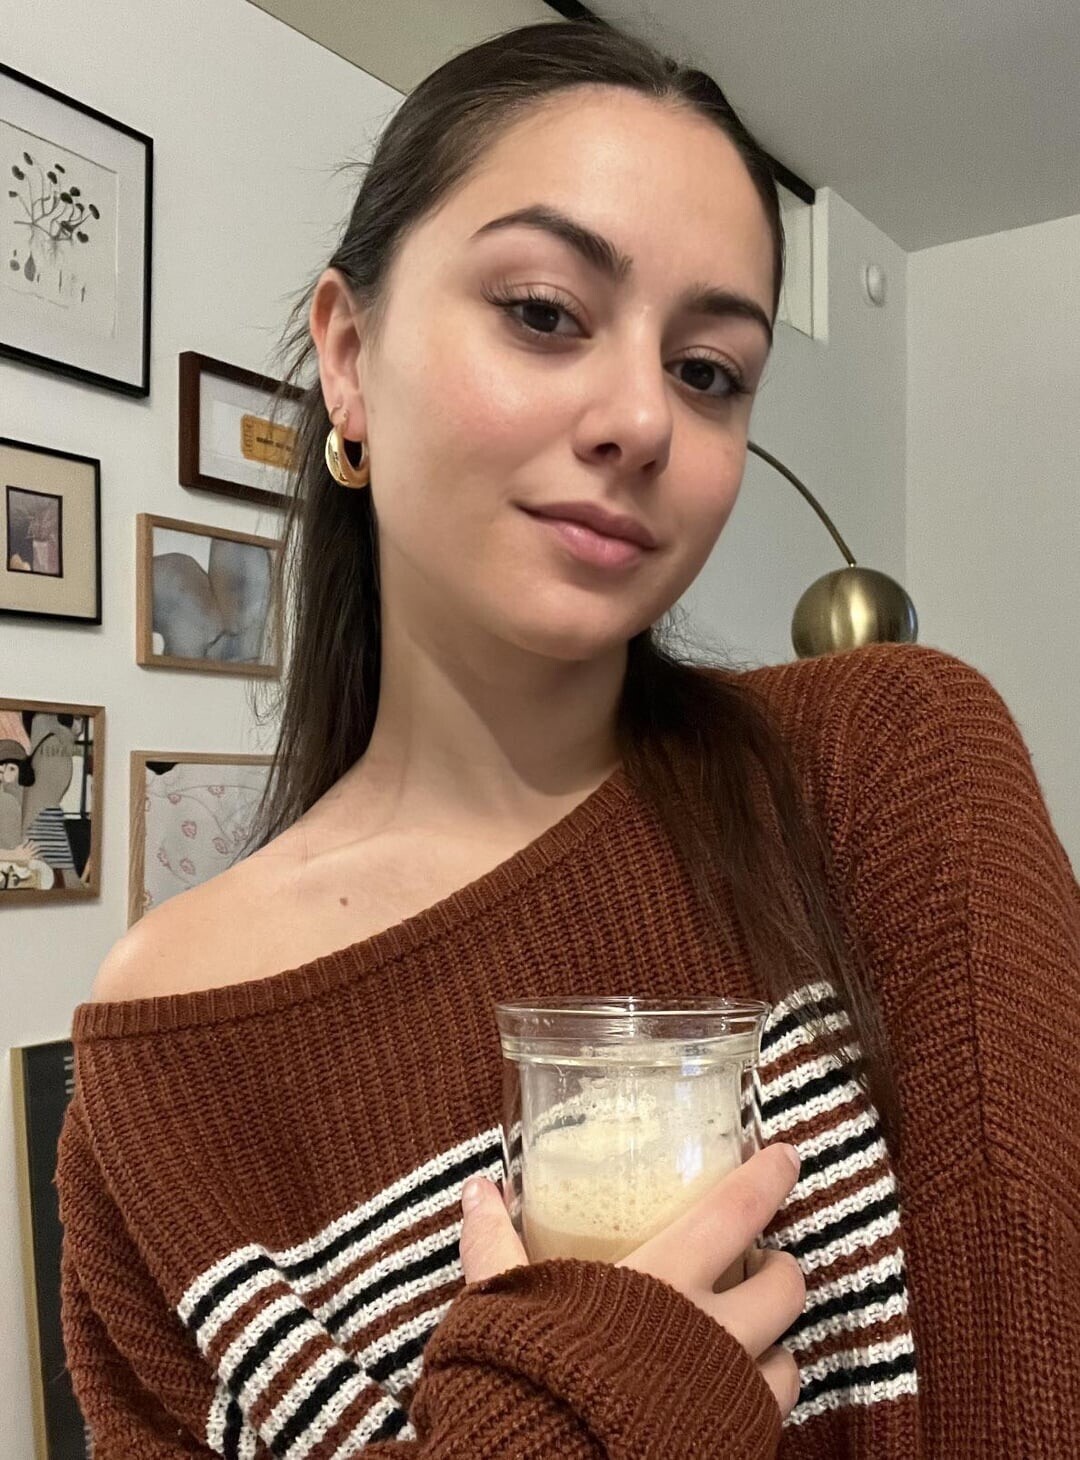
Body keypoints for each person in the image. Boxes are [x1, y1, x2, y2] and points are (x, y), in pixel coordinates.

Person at [55, 19, 1079, 1460]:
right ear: (348, 358)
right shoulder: (169, 1062)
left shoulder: (887, 770)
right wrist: (599, 1409)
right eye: (544, 311)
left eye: (710, 370)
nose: (642, 417)